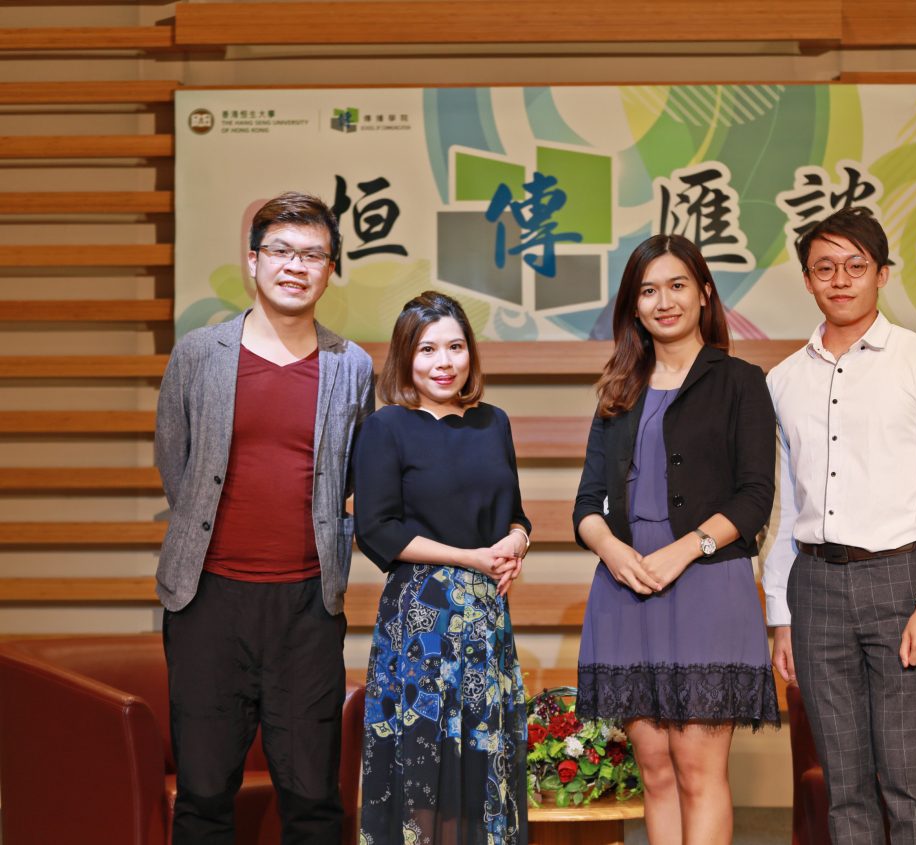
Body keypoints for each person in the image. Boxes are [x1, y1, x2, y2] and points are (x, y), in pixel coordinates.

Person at [154, 191, 375, 843]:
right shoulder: (199, 353)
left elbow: (358, 479)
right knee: (202, 792)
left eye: (313, 253)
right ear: (252, 261)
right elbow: (176, 460)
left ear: (330, 268)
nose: (295, 265)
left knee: (313, 798)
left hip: (308, 607)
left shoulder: (352, 366)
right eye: (280, 250)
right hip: (206, 602)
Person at [764, 206, 916, 845]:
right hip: (815, 589)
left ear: (882, 273)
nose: (841, 279)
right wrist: (780, 612)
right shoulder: (783, 380)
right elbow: (781, 506)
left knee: (910, 780)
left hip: (900, 583)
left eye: (856, 266)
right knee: (843, 784)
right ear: (807, 280)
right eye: (824, 267)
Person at [572, 234, 780, 845]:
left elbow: (753, 497)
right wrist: (612, 551)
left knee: (697, 770)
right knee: (654, 772)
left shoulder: (741, 381)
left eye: (678, 285)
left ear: (704, 292)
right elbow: (587, 505)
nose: (664, 301)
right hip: (624, 588)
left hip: (708, 583)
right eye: (648, 289)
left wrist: (686, 549)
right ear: (634, 306)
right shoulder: (618, 389)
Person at [352, 291, 530, 845]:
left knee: (481, 766)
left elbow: (516, 513)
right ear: (406, 358)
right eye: (428, 349)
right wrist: (469, 558)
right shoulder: (388, 427)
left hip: (484, 618)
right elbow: (376, 528)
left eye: (455, 346)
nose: (444, 361)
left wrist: (517, 543)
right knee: (424, 770)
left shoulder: (493, 423)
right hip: (422, 621)